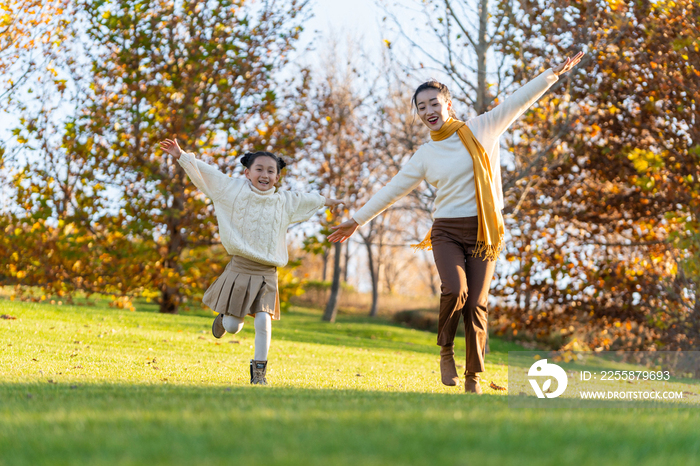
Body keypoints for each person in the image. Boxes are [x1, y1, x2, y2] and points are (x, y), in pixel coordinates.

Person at [328, 52, 584, 394]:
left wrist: (551, 74)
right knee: (456, 291)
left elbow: (518, 100)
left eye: (434, 103)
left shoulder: (482, 128)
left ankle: (472, 378)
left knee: (477, 304)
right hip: (446, 231)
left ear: (448, 104)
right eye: (421, 107)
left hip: (483, 232)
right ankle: (446, 349)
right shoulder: (424, 155)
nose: (428, 111)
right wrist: (356, 220)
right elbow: (392, 190)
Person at [160, 138, 342, 385]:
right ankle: (225, 319)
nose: (265, 174)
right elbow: (207, 173)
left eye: (271, 171)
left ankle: (259, 373)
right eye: (259, 169)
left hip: (268, 273)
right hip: (240, 267)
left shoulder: (284, 202)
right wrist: (181, 155)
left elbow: (310, 198)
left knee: (264, 323)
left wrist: (331, 202)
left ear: (277, 177)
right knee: (234, 326)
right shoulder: (231, 189)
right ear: (247, 172)